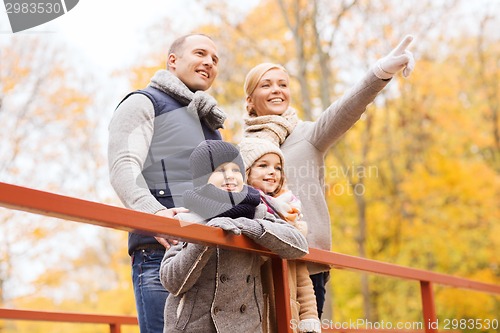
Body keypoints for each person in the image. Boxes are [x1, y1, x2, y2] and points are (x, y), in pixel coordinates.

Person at [242, 35, 416, 318]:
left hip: (307, 263)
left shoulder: (308, 135)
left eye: (283, 84)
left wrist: (381, 71)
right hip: (255, 265)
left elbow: (347, 108)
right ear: (250, 100)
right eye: (266, 84)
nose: (277, 90)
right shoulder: (241, 150)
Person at [108, 33, 225, 332]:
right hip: (161, 254)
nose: (209, 62)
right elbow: (123, 165)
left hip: (210, 256)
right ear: (173, 60)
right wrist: (154, 213)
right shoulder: (143, 102)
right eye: (200, 53)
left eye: (215, 59)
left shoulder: (211, 124)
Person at [159, 140, 309, 333]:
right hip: (195, 326)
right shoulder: (187, 217)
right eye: (220, 170)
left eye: (236, 170)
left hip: (247, 325)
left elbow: (298, 245)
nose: (230, 176)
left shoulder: (256, 212)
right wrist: (208, 235)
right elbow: (172, 281)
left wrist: (246, 226)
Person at [240, 137, 322, 333]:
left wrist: (309, 315)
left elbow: (301, 275)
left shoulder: (290, 215)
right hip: (253, 313)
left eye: (277, 168)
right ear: (245, 172)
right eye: (263, 165)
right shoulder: (241, 211)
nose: (272, 172)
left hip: (287, 313)